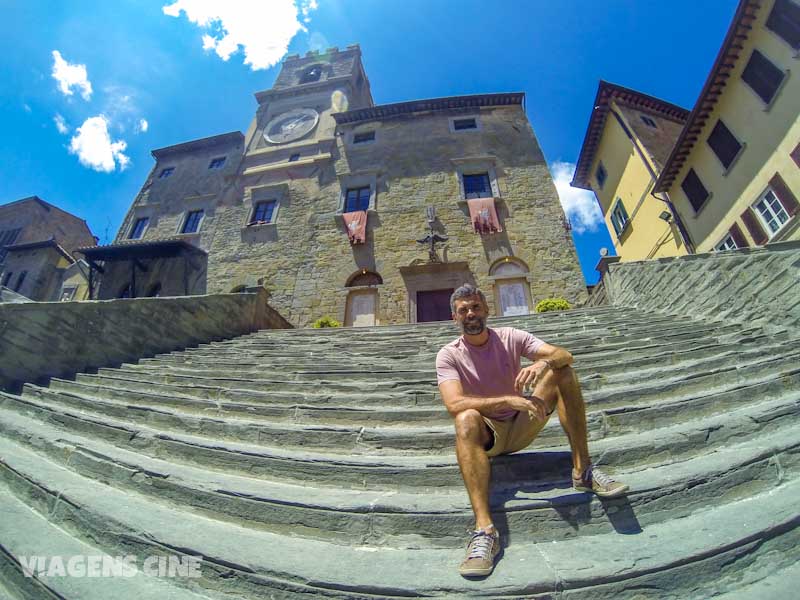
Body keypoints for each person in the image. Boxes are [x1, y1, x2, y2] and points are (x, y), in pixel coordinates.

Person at [436, 284, 629, 578]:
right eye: (463, 310)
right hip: (489, 435)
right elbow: (453, 403)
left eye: (476, 307)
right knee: (465, 418)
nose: (471, 314)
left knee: (562, 370)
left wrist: (542, 363)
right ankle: (485, 531)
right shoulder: (448, 355)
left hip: (525, 421)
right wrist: (506, 399)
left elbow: (564, 354)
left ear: (487, 310)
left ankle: (584, 470)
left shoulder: (512, 336)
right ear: (454, 317)